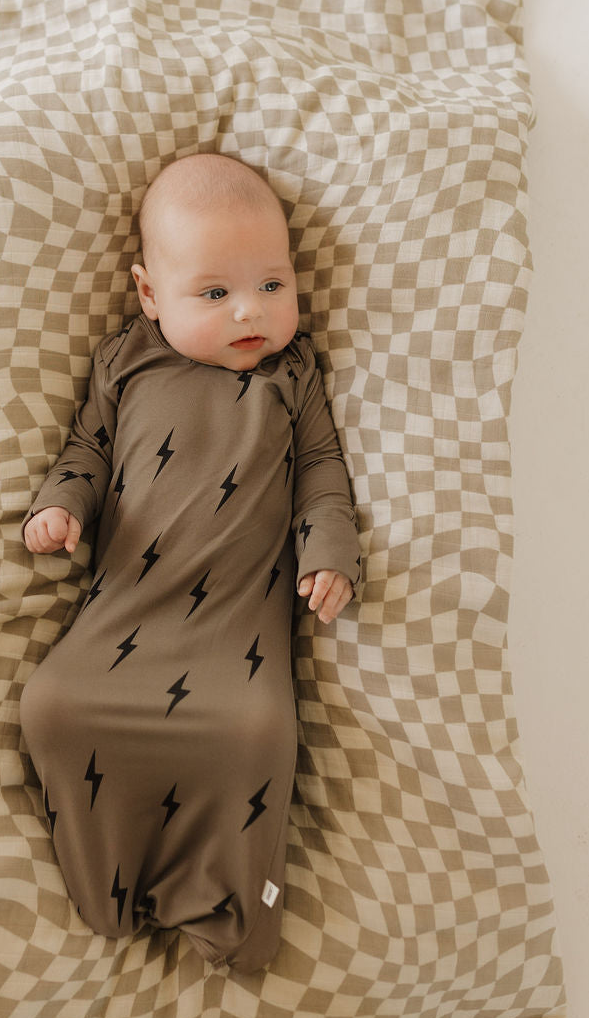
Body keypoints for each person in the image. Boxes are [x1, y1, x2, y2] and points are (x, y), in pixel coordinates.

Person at [19, 152, 362, 973]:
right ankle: (112, 881)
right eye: (215, 294)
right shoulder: (126, 363)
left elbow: (323, 470)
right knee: (53, 707)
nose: (251, 311)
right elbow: (86, 451)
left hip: (235, 629)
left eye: (272, 285)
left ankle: (222, 907)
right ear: (149, 295)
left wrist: (330, 549)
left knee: (256, 735)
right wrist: (60, 506)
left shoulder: (293, 374)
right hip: (128, 611)